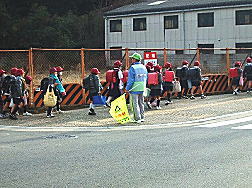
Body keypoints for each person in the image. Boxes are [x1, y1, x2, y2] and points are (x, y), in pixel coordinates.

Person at [126, 52, 148, 123]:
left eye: (132, 58)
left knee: (135, 103)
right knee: (141, 102)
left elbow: (131, 80)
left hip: (134, 87)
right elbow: (146, 77)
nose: (131, 59)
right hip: (142, 86)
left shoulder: (132, 68)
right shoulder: (144, 67)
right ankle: (142, 117)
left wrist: (127, 88)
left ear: (135, 59)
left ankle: (137, 118)